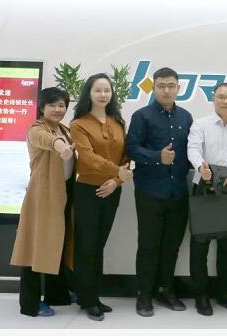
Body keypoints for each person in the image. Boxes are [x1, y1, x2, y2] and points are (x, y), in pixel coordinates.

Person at [125, 67, 193, 317]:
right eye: (161, 86)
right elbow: (131, 148)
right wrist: (157, 157)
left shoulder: (186, 117)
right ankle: (144, 294)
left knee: (172, 246)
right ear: (153, 88)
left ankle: (165, 289)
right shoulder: (141, 116)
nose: (166, 90)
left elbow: (192, 151)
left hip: (178, 193)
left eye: (171, 85)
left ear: (178, 88)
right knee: (148, 246)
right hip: (150, 191)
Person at [70, 73, 133, 321]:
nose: (103, 94)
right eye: (98, 90)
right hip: (88, 190)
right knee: (87, 246)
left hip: (112, 190)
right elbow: (87, 157)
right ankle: (87, 299)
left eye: (107, 90)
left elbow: (126, 157)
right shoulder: (78, 124)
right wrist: (116, 171)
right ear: (89, 93)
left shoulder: (118, 122)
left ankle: (93, 296)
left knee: (99, 245)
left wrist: (116, 181)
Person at [10, 87, 76, 317]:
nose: (58, 109)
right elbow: (49, 141)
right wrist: (61, 147)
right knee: (34, 248)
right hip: (43, 197)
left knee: (57, 245)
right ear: (42, 107)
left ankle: (57, 295)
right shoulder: (37, 129)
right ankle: (29, 304)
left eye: (62, 105)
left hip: (63, 195)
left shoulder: (65, 129)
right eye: (52, 105)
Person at [187, 82, 227, 316]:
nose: (225, 101)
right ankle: (201, 296)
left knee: (226, 246)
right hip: (203, 187)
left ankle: (225, 293)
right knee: (199, 246)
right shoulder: (200, 124)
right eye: (221, 97)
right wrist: (201, 167)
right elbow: (193, 149)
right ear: (213, 99)